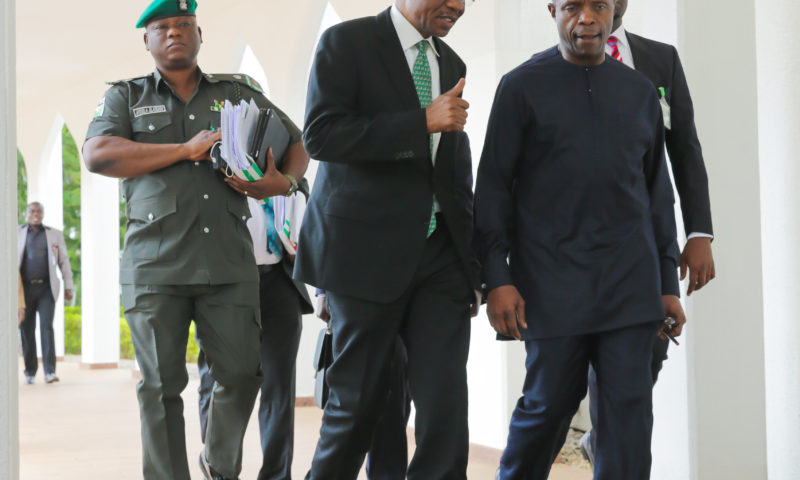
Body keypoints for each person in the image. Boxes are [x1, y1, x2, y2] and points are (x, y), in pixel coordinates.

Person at [82, 1, 305, 478]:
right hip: (153, 266)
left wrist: (281, 182)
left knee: (243, 374)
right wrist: (184, 150)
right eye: (162, 27)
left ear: (200, 34)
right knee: (160, 387)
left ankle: (219, 464)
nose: (174, 33)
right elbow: (98, 153)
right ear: (146, 40)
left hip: (228, 262)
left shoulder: (238, 93)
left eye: (184, 25)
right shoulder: (126, 97)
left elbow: (296, 141)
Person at [474, 0, 686, 478]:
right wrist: (496, 278)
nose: (586, 18)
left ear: (615, 10)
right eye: (572, 6)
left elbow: (657, 194)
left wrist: (666, 283)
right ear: (553, 9)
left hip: (630, 285)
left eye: (599, 6)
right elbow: (491, 189)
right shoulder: (520, 87)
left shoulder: (638, 91)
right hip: (549, 285)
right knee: (546, 409)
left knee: (628, 421)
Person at [295, 1, 480, 478]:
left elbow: (454, 170)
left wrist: (474, 266)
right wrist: (421, 122)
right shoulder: (346, 43)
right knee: (356, 408)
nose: (458, 6)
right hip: (363, 257)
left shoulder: (451, 63)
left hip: (441, 259)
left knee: (444, 413)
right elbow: (321, 135)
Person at [576, 0, 717, 464]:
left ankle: (604, 440)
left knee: (650, 351)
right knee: (597, 362)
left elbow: (685, 149)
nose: (598, 12)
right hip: (579, 245)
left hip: (647, 239)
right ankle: (609, 444)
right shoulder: (562, 56)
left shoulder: (661, 59)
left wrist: (698, 233)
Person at [198, 173, 314, 480]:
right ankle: (218, 464)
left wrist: (300, 242)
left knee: (279, 387)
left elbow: (308, 219)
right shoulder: (219, 167)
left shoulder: (290, 175)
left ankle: (277, 474)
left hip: (280, 281)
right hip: (228, 283)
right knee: (217, 377)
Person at [17, 201, 74, 385]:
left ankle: (50, 371)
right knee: (26, 330)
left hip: (46, 289)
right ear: (26, 213)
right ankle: (30, 372)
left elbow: (64, 261)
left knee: (46, 328)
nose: (35, 213)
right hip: (24, 291)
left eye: (38, 210)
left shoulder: (53, 234)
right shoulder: (17, 233)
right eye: (32, 210)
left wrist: (68, 286)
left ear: (42, 214)